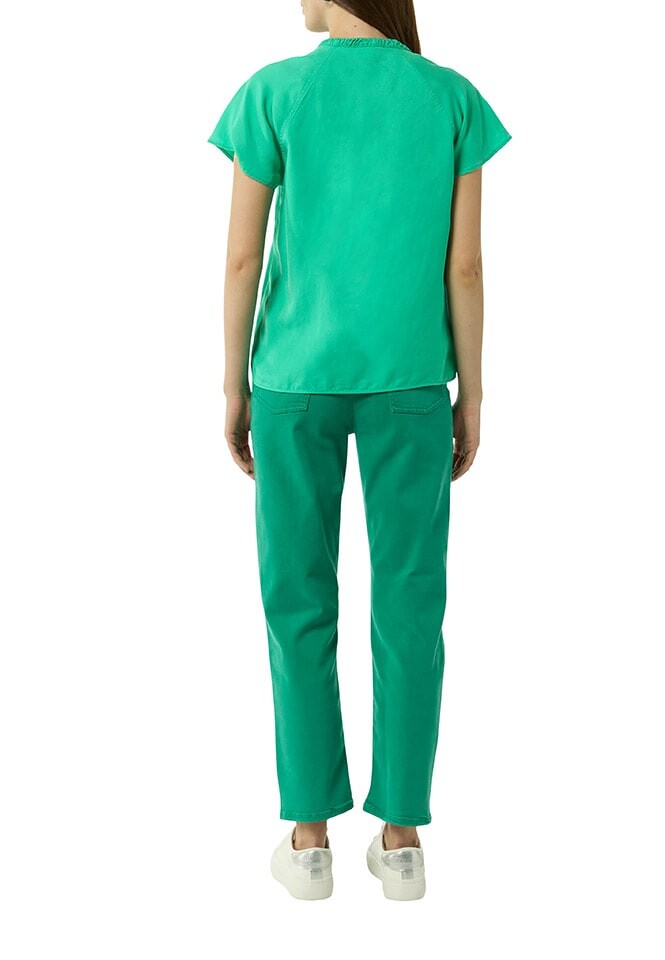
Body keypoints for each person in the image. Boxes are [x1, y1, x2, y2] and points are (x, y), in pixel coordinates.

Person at [207, 0, 511, 900]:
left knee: (297, 602)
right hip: (411, 384)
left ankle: (308, 842)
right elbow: (465, 268)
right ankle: (402, 839)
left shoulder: (273, 94)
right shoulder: (451, 98)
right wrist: (473, 393)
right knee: (411, 605)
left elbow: (241, 259)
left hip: (292, 382)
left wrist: (233, 384)